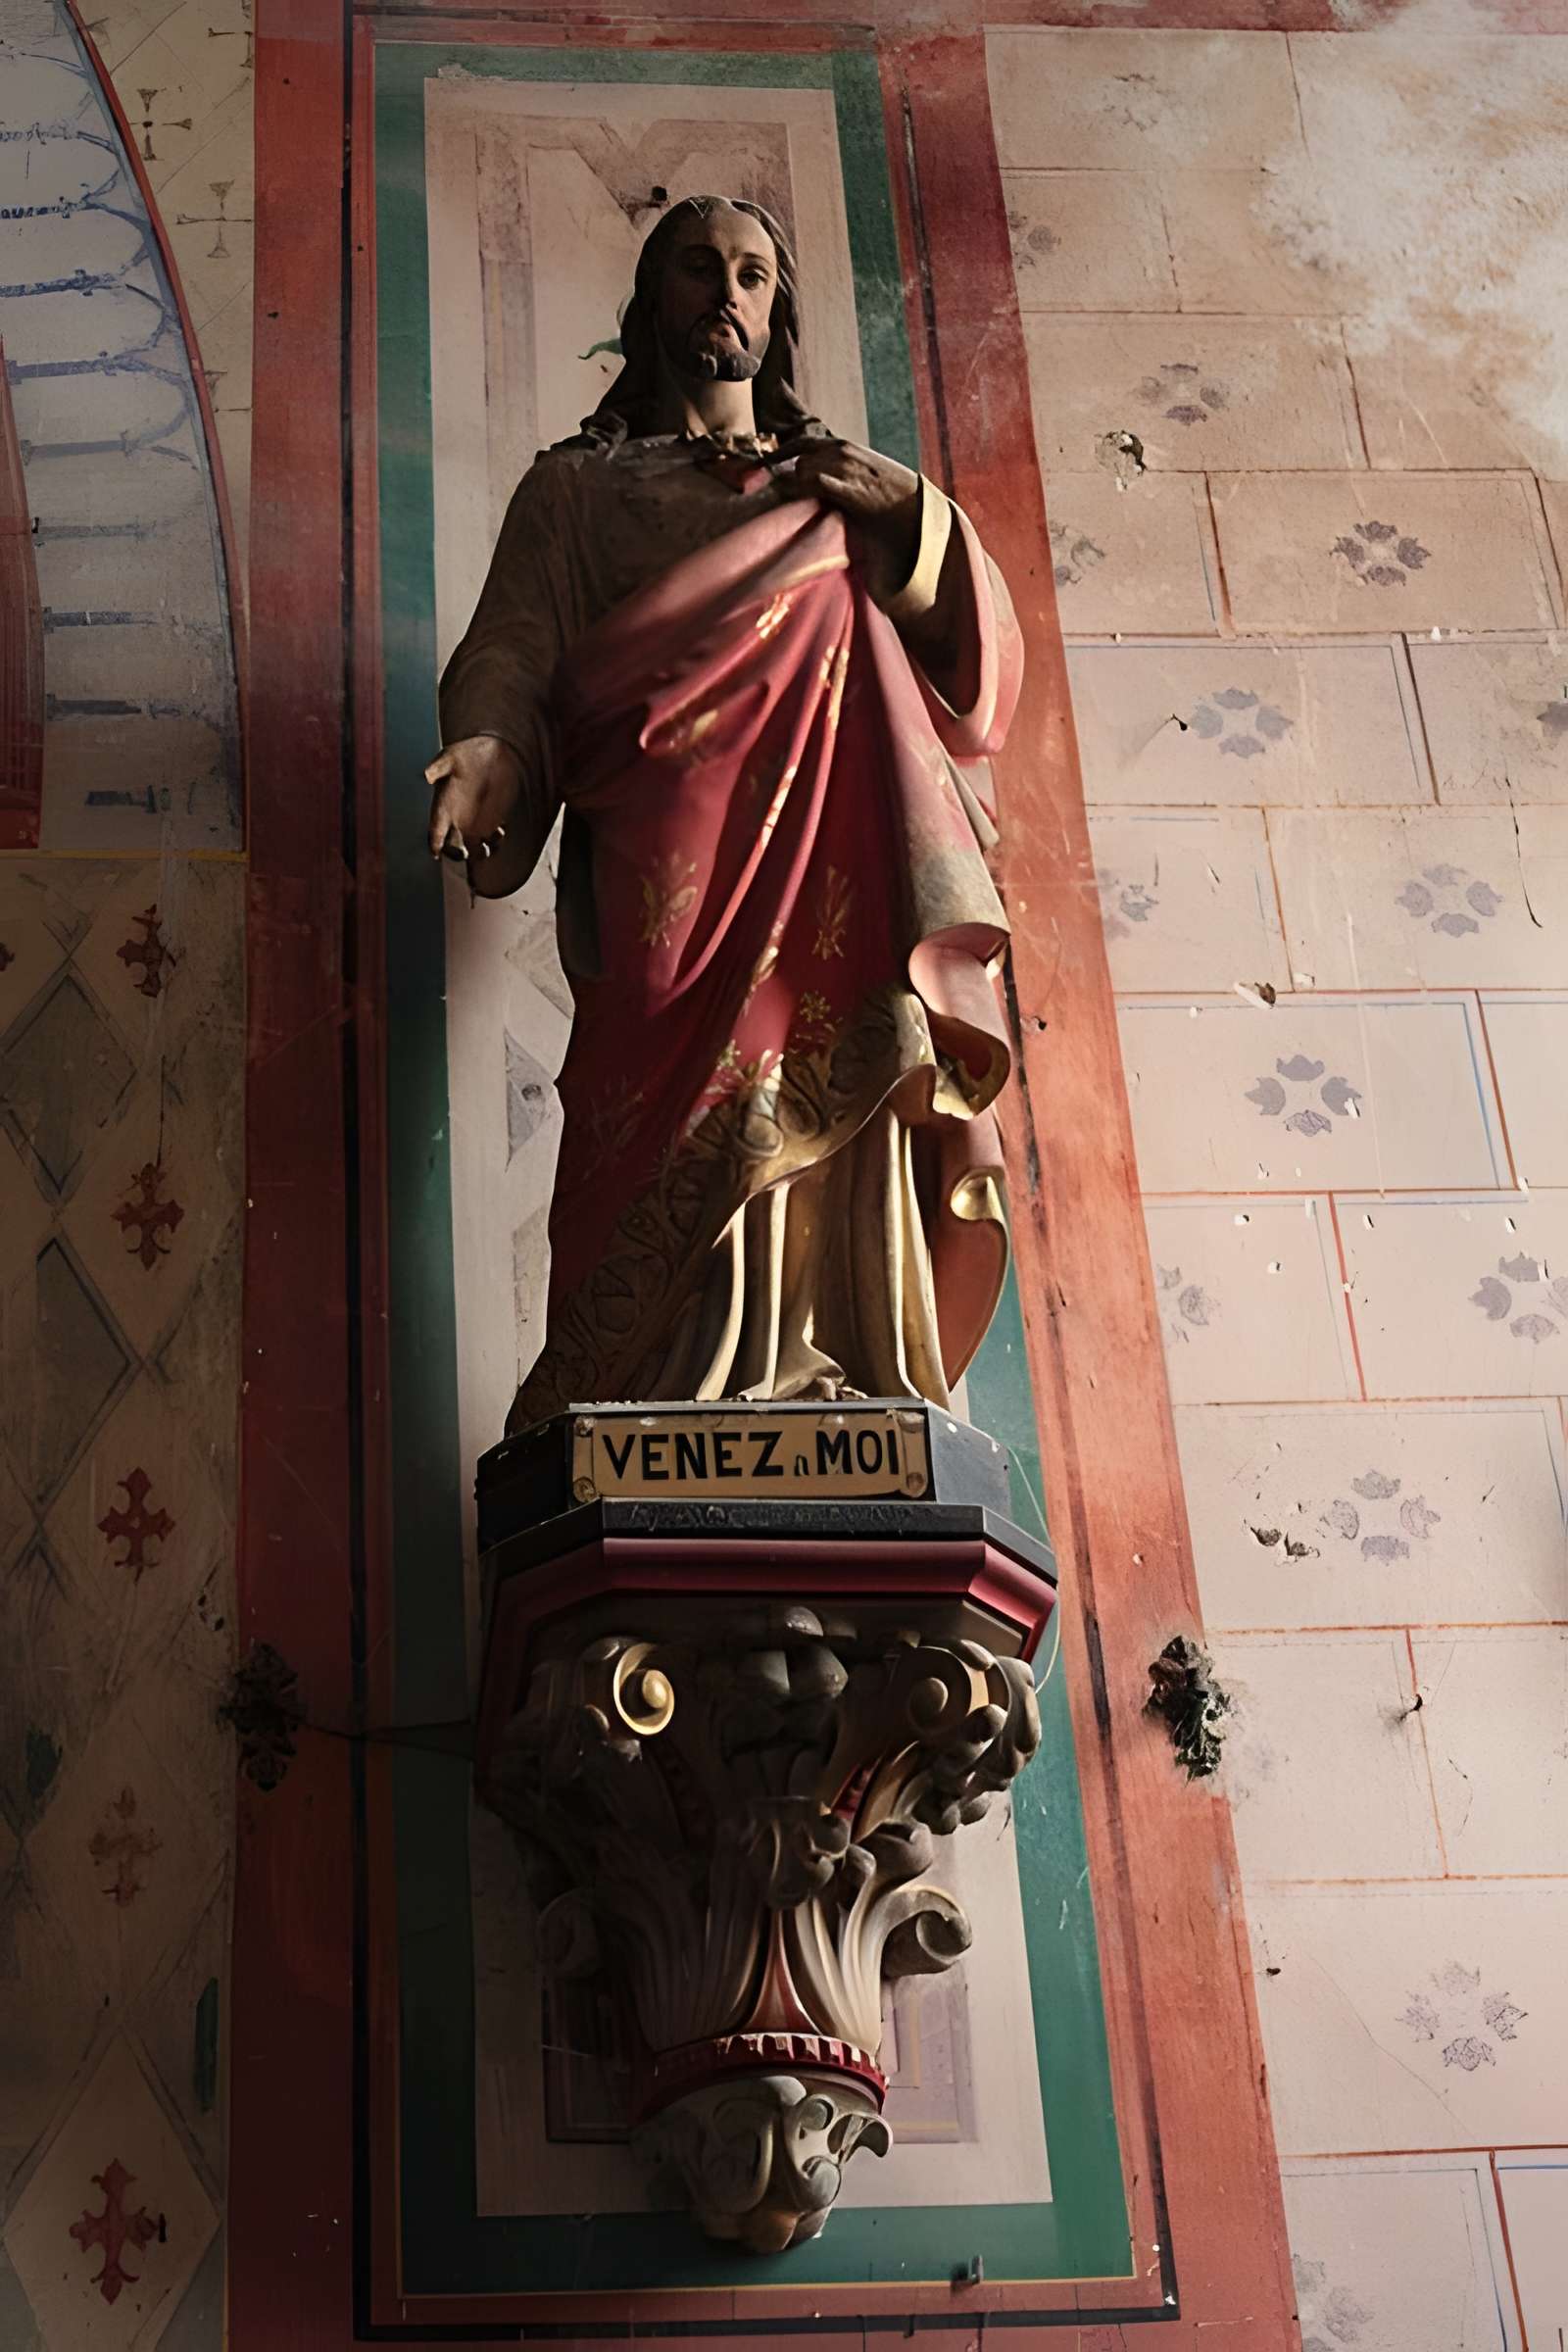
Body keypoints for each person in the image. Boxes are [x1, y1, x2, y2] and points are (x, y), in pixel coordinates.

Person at [426, 195, 1022, 1430]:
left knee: (827, 1082)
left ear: (777, 309)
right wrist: (486, 748)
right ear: (654, 303)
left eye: (753, 272)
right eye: (699, 267)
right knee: (655, 1104)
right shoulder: (575, 491)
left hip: (830, 865)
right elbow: (514, 647)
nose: (727, 291)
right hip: (662, 867)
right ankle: (648, 1387)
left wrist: (910, 517)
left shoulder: (838, 490)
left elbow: (978, 677)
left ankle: (839, 1364)